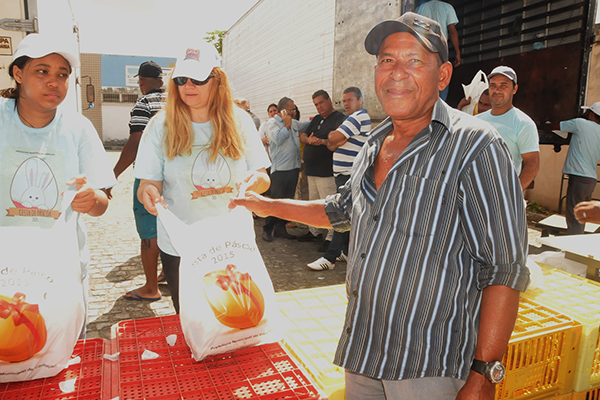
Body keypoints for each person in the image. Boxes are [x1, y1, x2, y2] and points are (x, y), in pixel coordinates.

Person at [231, 12, 529, 400]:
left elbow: (505, 267)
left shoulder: (476, 146)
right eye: (387, 60)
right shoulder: (374, 143)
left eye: (414, 60)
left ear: (442, 77)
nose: (396, 72)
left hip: (429, 366)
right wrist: (267, 206)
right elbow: (339, 211)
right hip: (365, 354)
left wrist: (484, 373)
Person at [134, 41, 270, 314]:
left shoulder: (240, 120)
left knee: (238, 314)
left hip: (233, 242)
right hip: (181, 245)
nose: (188, 86)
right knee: (193, 318)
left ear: (217, 80)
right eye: (182, 79)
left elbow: (262, 176)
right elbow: (148, 183)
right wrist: (147, 193)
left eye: (198, 78)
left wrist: (253, 183)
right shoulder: (160, 125)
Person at [0, 33, 116, 330]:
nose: (54, 82)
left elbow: (101, 203)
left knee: (59, 350)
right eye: (42, 71)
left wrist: (92, 199)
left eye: (62, 75)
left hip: (61, 267)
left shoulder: (78, 128)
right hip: (4, 267)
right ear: (18, 73)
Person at [109, 61, 166, 302]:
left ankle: (151, 288)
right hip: (177, 176)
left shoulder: (145, 102)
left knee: (149, 233)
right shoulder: (177, 101)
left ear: (141, 81)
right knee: (170, 227)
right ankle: (169, 273)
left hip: (150, 177)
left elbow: (135, 142)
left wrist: (111, 175)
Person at [307, 87, 371, 270]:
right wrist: (335, 140)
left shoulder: (358, 117)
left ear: (360, 100)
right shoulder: (352, 119)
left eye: (350, 100)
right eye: (344, 101)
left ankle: (330, 257)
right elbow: (332, 144)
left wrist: (336, 138)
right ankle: (345, 252)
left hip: (349, 175)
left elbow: (332, 137)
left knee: (339, 214)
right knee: (347, 214)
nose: (346, 104)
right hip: (344, 174)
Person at [296, 90, 346, 251]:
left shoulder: (339, 118)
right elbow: (302, 135)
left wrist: (322, 141)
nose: (319, 107)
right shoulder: (317, 119)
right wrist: (309, 140)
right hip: (312, 170)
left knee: (329, 204)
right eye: (316, 104)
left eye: (321, 103)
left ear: (329, 100)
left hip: (327, 171)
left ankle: (331, 237)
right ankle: (314, 231)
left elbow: (340, 140)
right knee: (314, 203)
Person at [477, 66, 540, 191]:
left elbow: (532, 164)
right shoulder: (477, 120)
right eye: (493, 85)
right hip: (473, 193)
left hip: (501, 194)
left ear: (514, 89)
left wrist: (512, 194)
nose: (497, 90)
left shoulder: (523, 123)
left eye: (504, 85)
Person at [262, 97, 310, 242]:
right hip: (281, 170)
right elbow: (277, 139)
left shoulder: (293, 122)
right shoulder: (272, 124)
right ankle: (267, 229)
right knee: (277, 202)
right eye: (291, 110)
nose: (294, 112)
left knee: (288, 202)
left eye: (294, 109)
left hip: (294, 168)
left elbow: (306, 126)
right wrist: (287, 126)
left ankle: (280, 229)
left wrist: (321, 119)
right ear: (283, 110)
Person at [559, 102, 600, 234]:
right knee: (582, 216)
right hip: (590, 180)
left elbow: (556, 126)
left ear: (592, 114)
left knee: (574, 215)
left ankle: (571, 248)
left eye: (587, 112)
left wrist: (541, 123)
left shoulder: (580, 124)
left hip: (579, 178)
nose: (585, 115)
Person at [416, 0, 461, 100]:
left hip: (424, 51)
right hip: (441, 51)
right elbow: (452, 31)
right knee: (442, 78)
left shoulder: (421, 8)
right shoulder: (448, 7)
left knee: (424, 79)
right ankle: (440, 107)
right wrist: (457, 52)